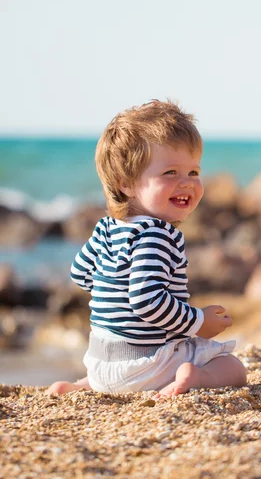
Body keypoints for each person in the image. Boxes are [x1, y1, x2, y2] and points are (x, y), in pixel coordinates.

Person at [46, 100, 247, 399]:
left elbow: (79, 274)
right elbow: (146, 300)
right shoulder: (157, 235)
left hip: (99, 364)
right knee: (232, 367)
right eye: (170, 173)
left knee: (123, 371)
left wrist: (113, 295)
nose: (187, 184)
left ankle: (80, 387)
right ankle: (193, 377)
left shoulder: (107, 227)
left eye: (193, 172)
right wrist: (198, 322)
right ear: (126, 184)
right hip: (144, 364)